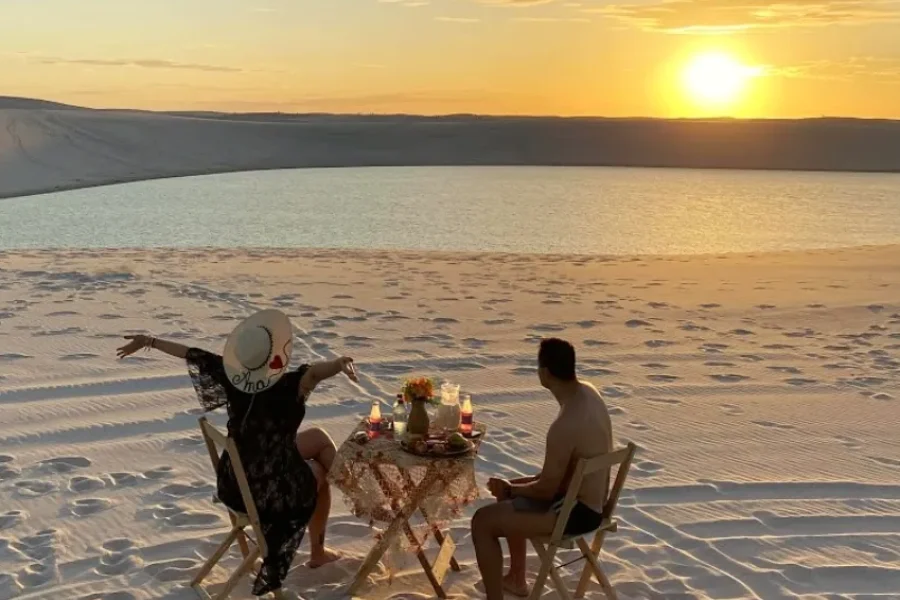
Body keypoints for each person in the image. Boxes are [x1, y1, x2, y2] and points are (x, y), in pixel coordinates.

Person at [116, 309, 356, 596]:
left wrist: (149, 341)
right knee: (319, 473)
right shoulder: (293, 385)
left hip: (235, 480)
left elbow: (191, 353)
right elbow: (317, 371)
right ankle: (330, 535)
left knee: (318, 438)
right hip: (261, 491)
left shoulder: (234, 380)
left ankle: (353, 490)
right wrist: (340, 364)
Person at [471, 338, 614, 599]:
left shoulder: (564, 425)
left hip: (575, 512)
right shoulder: (589, 393)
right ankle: (516, 578)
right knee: (511, 491)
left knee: (482, 522)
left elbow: (547, 490)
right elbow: (556, 479)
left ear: (545, 373)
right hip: (590, 501)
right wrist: (512, 489)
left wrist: (512, 489)